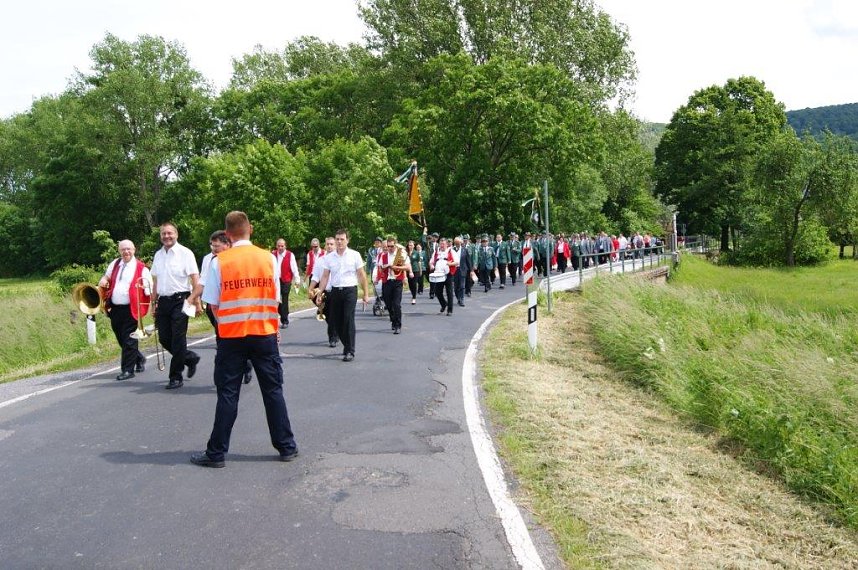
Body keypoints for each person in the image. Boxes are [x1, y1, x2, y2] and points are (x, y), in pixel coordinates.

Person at [191, 211, 298, 468]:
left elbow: (213, 305)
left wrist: (226, 325)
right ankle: (286, 446)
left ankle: (216, 453)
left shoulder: (219, 261)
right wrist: (273, 327)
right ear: (250, 228)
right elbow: (275, 298)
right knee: (273, 391)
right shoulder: (268, 258)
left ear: (227, 234)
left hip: (231, 336)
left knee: (228, 393)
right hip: (264, 333)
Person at [189, 230, 253, 384]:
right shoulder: (208, 260)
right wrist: (191, 298)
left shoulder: (236, 258)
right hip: (216, 309)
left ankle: (245, 365)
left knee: (240, 342)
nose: (213, 249)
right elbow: (203, 281)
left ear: (227, 244)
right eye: (212, 245)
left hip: (238, 309)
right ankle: (227, 375)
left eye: (216, 246)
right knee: (222, 342)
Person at [151, 222, 202, 390]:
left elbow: (195, 278)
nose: (166, 236)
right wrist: (153, 303)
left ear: (176, 234)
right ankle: (189, 358)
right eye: (163, 234)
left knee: (178, 339)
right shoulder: (158, 255)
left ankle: (175, 376)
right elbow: (156, 281)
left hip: (182, 300)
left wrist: (197, 301)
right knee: (165, 338)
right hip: (164, 302)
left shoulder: (185, 253)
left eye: (169, 233)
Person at [98, 239, 151, 381]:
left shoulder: (142, 268)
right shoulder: (115, 263)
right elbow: (107, 276)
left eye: (129, 249)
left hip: (131, 309)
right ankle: (138, 359)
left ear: (134, 250)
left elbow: (148, 290)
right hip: (115, 308)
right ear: (119, 251)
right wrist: (103, 279)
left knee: (129, 340)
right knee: (121, 338)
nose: (126, 252)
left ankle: (128, 370)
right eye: (123, 249)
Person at [316, 229, 370, 362]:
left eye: (342, 239)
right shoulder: (329, 258)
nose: (339, 242)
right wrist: (320, 292)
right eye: (337, 239)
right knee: (336, 322)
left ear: (347, 240)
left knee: (348, 319)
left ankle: (350, 350)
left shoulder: (354, 255)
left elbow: (362, 275)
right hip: (335, 291)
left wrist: (366, 293)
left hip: (350, 291)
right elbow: (324, 276)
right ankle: (347, 345)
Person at [307, 237, 338, 347]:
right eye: (328, 244)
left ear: (335, 246)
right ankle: (336, 331)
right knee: (326, 313)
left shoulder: (338, 259)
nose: (329, 246)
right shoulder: (320, 260)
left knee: (334, 314)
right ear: (325, 246)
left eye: (332, 244)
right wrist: (310, 289)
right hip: (323, 290)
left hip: (336, 290)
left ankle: (333, 337)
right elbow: (315, 276)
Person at [378, 236, 411, 334]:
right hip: (387, 281)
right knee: (388, 304)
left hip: (397, 281)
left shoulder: (401, 255)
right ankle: (393, 320)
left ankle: (398, 325)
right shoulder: (383, 256)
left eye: (392, 246)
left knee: (396, 304)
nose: (390, 248)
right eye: (388, 246)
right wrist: (384, 268)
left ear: (395, 245)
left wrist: (395, 267)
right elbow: (380, 268)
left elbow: (408, 267)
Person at [273, 238, 299, 329]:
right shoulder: (272, 254)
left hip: (286, 280)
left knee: (284, 300)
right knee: (275, 299)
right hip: (276, 280)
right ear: (276, 246)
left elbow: (294, 268)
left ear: (285, 246)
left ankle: (285, 321)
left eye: (282, 246)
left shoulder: (290, 255)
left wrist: (297, 279)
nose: (280, 247)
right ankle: (284, 313)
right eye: (278, 246)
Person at [429, 237, 456, 315]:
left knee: (449, 292)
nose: (442, 245)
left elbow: (457, 262)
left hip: (448, 274)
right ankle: (444, 304)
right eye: (441, 244)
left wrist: (450, 264)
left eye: (443, 244)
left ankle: (450, 310)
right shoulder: (436, 252)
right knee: (438, 292)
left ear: (447, 244)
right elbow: (431, 262)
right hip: (438, 275)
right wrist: (431, 266)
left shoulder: (451, 251)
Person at [452, 236, 470, 307]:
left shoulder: (464, 250)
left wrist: (471, 270)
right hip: (455, 270)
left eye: (459, 243)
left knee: (462, 286)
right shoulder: (452, 250)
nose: (457, 244)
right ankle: (458, 298)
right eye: (456, 243)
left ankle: (462, 300)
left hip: (462, 269)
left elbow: (468, 260)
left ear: (461, 243)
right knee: (456, 287)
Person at [406, 240, 421, 304]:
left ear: (414, 246)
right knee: (410, 284)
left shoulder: (416, 253)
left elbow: (418, 262)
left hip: (415, 270)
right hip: (408, 270)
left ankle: (414, 297)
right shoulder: (406, 252)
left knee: (414, 283)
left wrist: (420, 270)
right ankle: (413, 294)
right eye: (409, 245)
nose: (410, 246)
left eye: (411, 245)